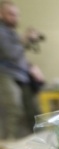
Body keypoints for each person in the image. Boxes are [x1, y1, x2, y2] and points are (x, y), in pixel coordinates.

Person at [0, 0, 44, 140]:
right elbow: (9, 53)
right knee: (13, 110)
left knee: (33, 111)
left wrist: (31, 67)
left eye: (17, 15)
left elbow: (18, 57)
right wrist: (25, 39)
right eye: (11, 14)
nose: (16, 18)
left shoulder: (11, 33)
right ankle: (9, 147)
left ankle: (37, 144)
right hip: (6, 74)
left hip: (21, 75)